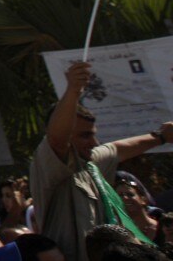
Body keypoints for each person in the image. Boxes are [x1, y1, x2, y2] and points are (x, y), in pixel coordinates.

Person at [30, 60, 173, 261]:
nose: (94, 142)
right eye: (85, 136)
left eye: (93, 135)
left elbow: (117, 149)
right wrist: (73, 90)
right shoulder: (50, 166)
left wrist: (161, 137)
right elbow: (57, 138)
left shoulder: (91, 163)